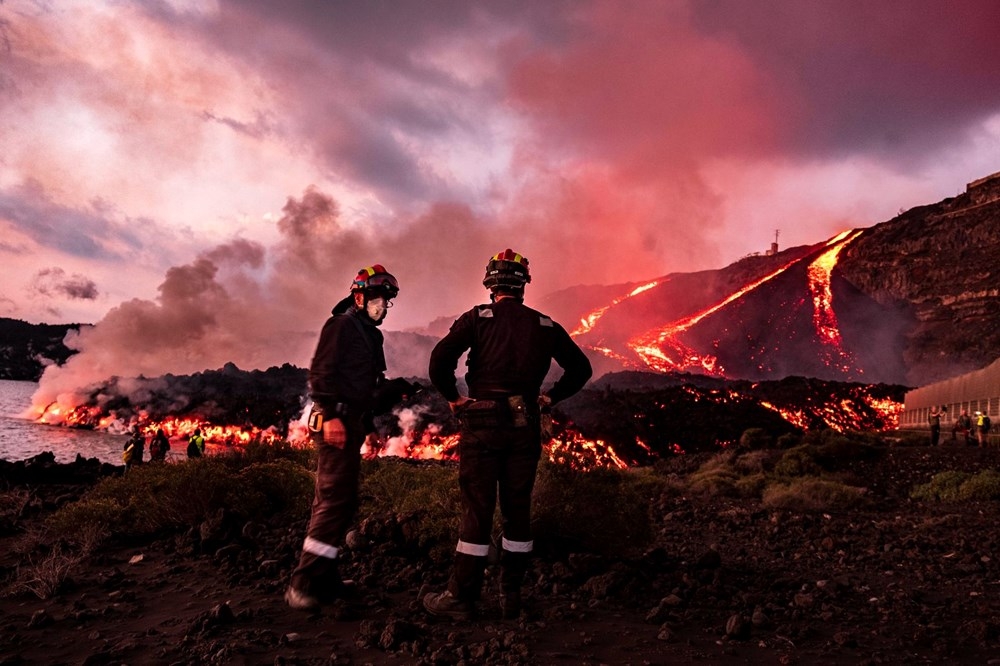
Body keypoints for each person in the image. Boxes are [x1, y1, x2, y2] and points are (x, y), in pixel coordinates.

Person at [423, 248, 593, 621]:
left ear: (490, 284)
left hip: (481, 424)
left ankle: (460, 599)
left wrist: (454, 399)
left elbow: (439, 361)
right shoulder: (545, 324)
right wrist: (549, 397)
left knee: (477, 510)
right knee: (518, 510)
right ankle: (511, 596)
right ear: (523, 285)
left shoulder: (478, 318)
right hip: (524, 425)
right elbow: (581, 369)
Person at [286, 264, 412, 611]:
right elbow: (321, 371)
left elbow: (367, 387)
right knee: (334, 500)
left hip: (352, 421)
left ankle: (324, 575)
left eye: (387, 300)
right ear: (359, 296)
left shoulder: (371, 335)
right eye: (377, 298)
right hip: (335, 421)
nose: (383, 306)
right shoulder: (341, 325)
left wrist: (368, 426)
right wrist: (329, 414)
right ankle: (304, 583)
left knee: (340, 500)